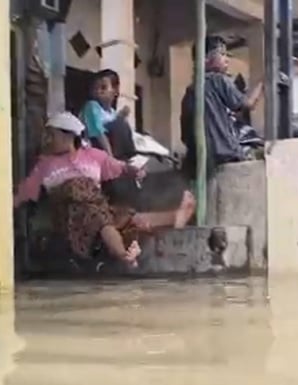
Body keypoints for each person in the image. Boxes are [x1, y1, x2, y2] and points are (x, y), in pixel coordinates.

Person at [15, 112, 195, 268]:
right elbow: (24, 192)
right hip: (71, 218)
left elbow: (121, 167)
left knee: (125, 217)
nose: (47, 140)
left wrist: (134, 170)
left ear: (67, 137)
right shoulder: (45, 164)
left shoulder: (93, 156)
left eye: (51, 135)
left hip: (97, 207)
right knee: (96, 213)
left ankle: (173, 218)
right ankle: (125, 256)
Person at [180, 35, 264, 182]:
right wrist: (263, 83)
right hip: (225, 154)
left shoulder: (190, 91)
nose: (227, 59)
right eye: (222, 54)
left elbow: (185, 135)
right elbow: (248, 104)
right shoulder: (218, 80)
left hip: (197, 160)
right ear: (206, 59)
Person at [80, 69, 137, 160]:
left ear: (115, 90)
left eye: (103, 87)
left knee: (122, 122)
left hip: (111, 149)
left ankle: (129, 157)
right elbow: (98, 132)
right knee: (120, 123)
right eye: (95, 88)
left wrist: (121, 116)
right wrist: (110, 158)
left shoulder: (112, 112)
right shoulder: (91, 106)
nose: (98, 91)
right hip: (97, 147)